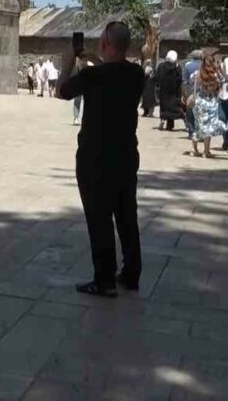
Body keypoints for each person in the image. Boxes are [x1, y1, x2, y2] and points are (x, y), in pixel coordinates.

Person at [56, 21, 145, 298]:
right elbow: (116, 69)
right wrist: (95, 59)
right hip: (126, 156)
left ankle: (104, 279)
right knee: (126, 214)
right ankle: (131, 273)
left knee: (99, 218)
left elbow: (61, 90)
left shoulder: (93, 78)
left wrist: (71, 57)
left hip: (95, 158)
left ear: (106, 43)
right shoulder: (136, 75)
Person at [190, 55, 226, 157]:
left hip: (200, 101)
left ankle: (193, 149)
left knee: (197, 125)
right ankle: (206, 151)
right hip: (211, 102)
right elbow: (225, 80)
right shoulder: (215, 75)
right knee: (208, 127)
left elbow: (190, 80)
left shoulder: (197, 73)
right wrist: (219, 68)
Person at [155, 51, 184, 131]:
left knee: (164, 106)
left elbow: (157, 77)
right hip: (174, 91)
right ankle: (170, 125)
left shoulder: (161, 66)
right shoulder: (177, 67)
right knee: (172, 106)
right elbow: (180, 79)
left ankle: (163, 119)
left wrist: (158, 86)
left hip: (163, 90)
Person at [182, 50, 204, 141]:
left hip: (191, 92)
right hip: (203, 92)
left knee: (190, 113)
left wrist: (184, 94)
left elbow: (184, 80)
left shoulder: (187, 65)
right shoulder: (204, 65)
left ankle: (191, 132)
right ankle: (201, 132)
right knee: (201, 114)